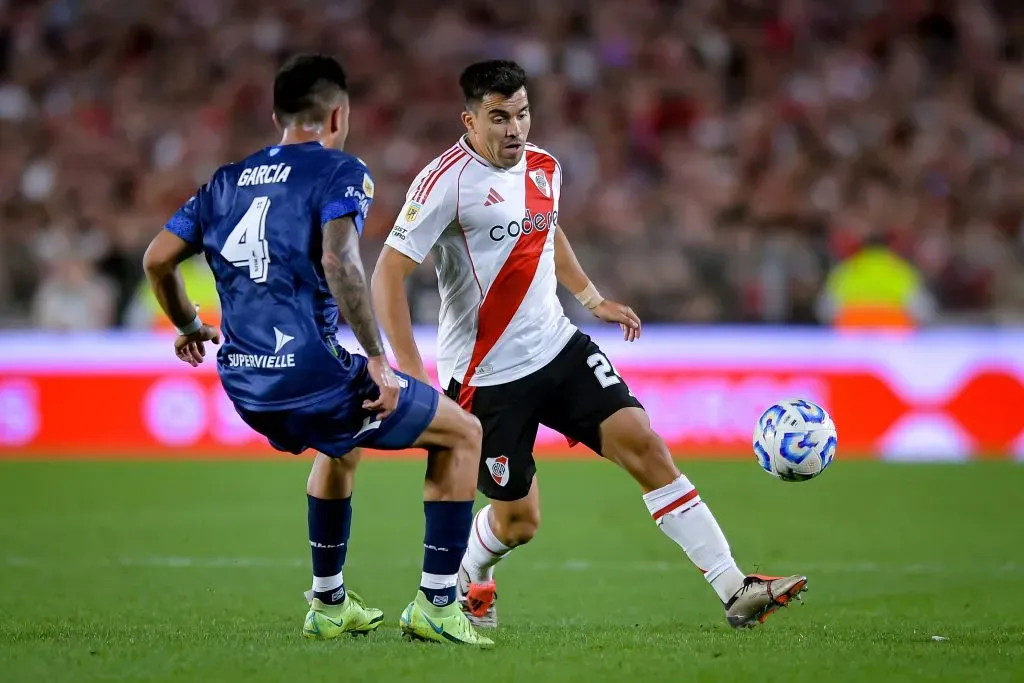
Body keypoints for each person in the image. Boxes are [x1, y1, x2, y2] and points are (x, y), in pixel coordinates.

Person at [371, 59, 808, 630]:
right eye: (498, 118)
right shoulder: (443, 184)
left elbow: (547, 230)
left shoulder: (545, 167)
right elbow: (387, 273)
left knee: (643, 443)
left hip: (558, 348)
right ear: (470, 120)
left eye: (522, 115)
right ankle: (471, 572)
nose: (514, 130)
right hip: (485, 378)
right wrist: (409, 372)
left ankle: (735, 589)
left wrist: (590, 296)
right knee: (518, 523)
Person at [141, 54, 492, 647]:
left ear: (278, 115)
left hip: (245, 380)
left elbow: (156, 259)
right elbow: (339, 260)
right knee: (462, 433)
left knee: (341, 444)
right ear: (338, 115)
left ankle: (329, 603)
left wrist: (189, 323)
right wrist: (378, 359)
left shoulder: (225, 181)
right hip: (309, 371)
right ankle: (437, 602)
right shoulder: (340, 171)